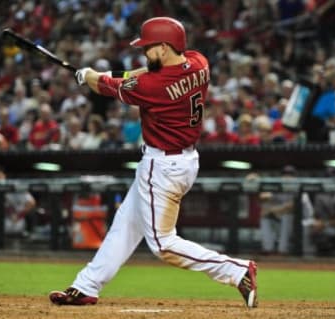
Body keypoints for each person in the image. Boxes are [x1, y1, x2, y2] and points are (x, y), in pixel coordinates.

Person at [49, 17, 257, 308]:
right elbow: (144, 72)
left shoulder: (151, 87)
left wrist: (90, 76)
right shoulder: (199, 62)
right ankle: (86, 286)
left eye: (148, 47)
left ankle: (236, 270)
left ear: (163, 47)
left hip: (162, 166)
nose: (144, 52)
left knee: (162, 244)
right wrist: (102, 73)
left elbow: (109, 86)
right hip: (185, 161)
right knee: (125, 225)